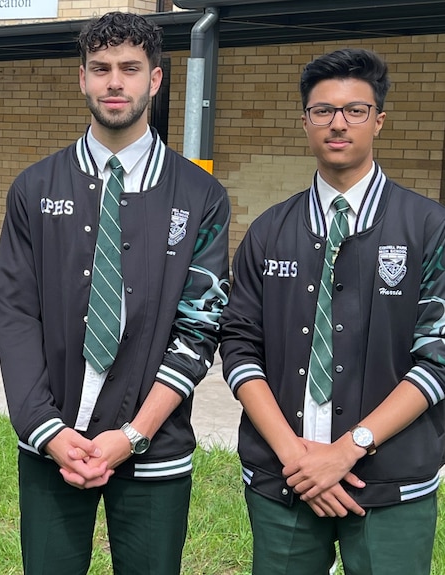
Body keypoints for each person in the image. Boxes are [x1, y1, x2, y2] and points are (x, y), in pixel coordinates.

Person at [0, 11, 230, 575]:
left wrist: (134, 434)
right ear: (82, 79)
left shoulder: (200, 195)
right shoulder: (33, 188)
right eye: (100, 69)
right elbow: (16, 316)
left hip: (155, 445)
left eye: (129, 68)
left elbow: (199, 327)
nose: (114, 82)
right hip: (53, 446)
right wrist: (47, 431)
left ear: (156, 79)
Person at [220, 48, 445, 574]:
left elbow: (437, 355)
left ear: (379, 120)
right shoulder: (269, 230)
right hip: (283, 482)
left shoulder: (428, 227)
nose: (337, 123)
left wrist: (347, 450)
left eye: (355, 110)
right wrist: (297, 458)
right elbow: (238, 346)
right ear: (305, 121)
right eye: (322, 111)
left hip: (390, 483)